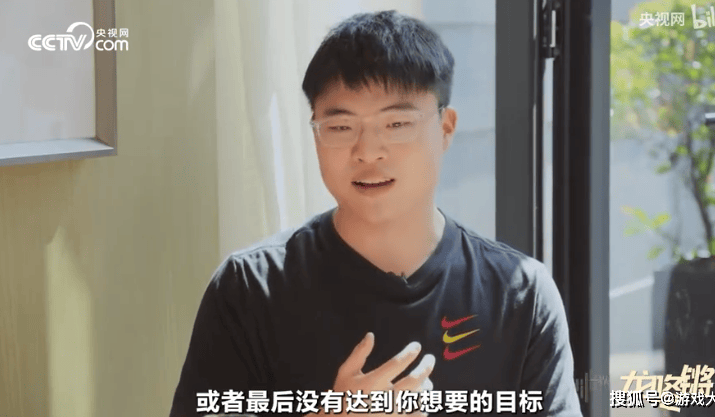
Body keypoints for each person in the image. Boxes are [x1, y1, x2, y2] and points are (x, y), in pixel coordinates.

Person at [170, 10, 582, 417]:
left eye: (397, 124)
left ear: (445, 128)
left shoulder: (520, 295)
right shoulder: (249, 289)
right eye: (340, 127)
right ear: (315, 135)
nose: (367, 152)